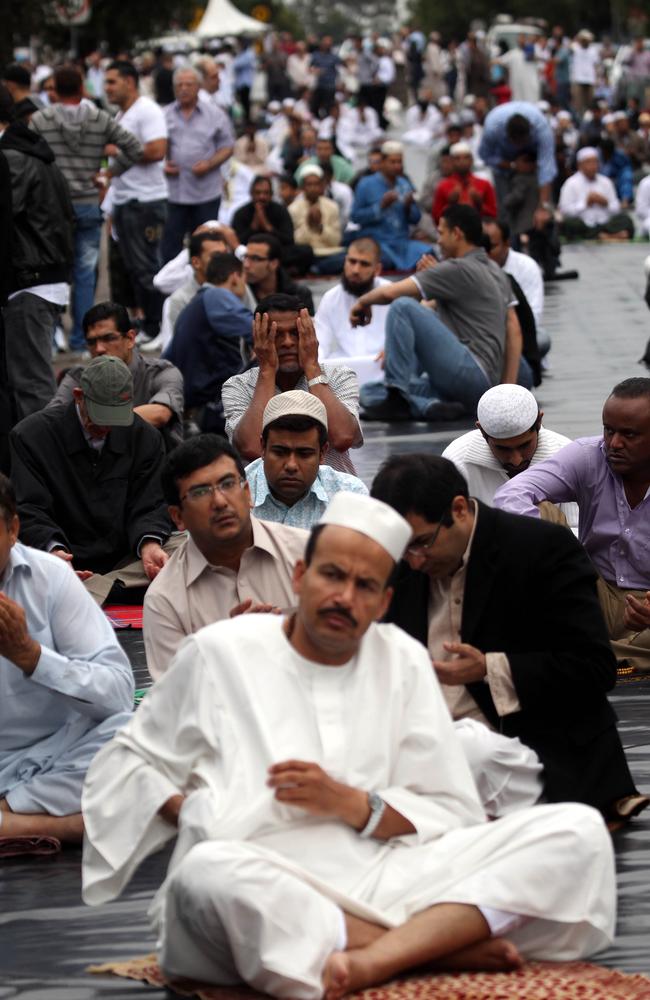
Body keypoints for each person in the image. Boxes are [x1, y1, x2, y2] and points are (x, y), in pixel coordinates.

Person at [82, 491, 617, 995]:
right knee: (205, 877)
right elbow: (130, 763)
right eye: (332, 575)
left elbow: (450, 808)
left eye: (365, 586)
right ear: (299, 575)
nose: (344, 597)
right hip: (267, 870)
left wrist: (351, 803)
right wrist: (199, 806)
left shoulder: (400, 660)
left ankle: (375, 955)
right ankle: (433, 946)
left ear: (384, 601)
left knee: (577, 831)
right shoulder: (222, 651)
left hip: (387, 866)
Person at [374, 453, 645, 821]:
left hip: (529, 750)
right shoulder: (401, 563)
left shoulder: (540, 550)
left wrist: (489, 668)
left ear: (459, 509)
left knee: (470, 750)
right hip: (421, 746)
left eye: (423, 543)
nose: (415, 561)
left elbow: (593, 667)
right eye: (405, 548)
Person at [0, 473, 134, 845]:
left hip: (58, 755)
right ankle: (56, 826)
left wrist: (30, 656)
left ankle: (9, 816)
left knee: (133, 735)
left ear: (13, 529)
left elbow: (119, 694)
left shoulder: (52, 577)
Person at [495, 377, 650, 674]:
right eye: (609, 430)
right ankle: (609, 652)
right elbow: (511, 494)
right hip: (591, 592)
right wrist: (557, 561)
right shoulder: (589, 456)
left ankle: (585, 650)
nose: (614, 443)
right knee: (542, 515)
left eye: (630, 434)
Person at [10, 356, 176, 606]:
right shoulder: (31, 436)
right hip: (62, 558)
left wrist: (150, 543)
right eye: (101, 415)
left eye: (116, 416)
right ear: (78, 396)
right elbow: (29, 508)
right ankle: (81, 586)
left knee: (186, 546)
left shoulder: (145, 437)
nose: (107, 426)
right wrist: (53, 552)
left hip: (126, 561)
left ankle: (87, 591)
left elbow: (152, 503)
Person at [142, 434, 307, 678]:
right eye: (200, 492)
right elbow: (179, 703)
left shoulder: (305, 553)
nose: (219, 501)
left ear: (248, 493)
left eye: (228, 484)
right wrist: (229, 650)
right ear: (178, 517)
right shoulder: (165, 600)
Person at [356, 205, 527, 423]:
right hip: (483, 383)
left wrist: (362, 302)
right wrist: (506, 392)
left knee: (403, 307)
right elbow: (514, 329)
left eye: (441, 233)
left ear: (457, 234)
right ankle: (430, 406)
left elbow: (391, 293)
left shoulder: (456, 269)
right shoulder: (497, 271)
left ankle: (398, 399)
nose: (438, 241)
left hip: (470, 372)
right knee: (368, 391)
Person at [29, 64, 143, 353]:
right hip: (89, 205)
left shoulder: (41, 120)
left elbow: (28, 157)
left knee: (51, 273)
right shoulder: (99, 119)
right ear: (82, 88)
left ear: (54, 90)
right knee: (84, 274)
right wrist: (109, 174)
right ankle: (82, 341)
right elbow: (134, 148)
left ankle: (53, 337)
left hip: (51, 209)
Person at [0, 83, 73, 458]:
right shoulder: (29, 153)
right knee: (25, 384)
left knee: (31, 387)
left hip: (31, 281)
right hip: (39, 279)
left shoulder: (12, 159)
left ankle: (49, 475)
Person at [223, 294, 362, 475]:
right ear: (259, 338)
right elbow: (253, 449)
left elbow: (343, 437)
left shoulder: (339, 376)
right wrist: (266, 370)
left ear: (311, 334)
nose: (288, 342)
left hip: (334, 499)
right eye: (276, 335)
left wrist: (312, 366)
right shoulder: (237, 386)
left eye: (296, 333)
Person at [49, 301, 184, 451]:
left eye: (108, 338)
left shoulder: (161, 371)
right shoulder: (77, 377)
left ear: (131, 339)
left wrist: (95, 421)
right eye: (92, 342)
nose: (99, 349)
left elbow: (160, 413)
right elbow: (52, 420)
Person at [442, 384, 578, 530]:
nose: (516, 460)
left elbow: (581, 533)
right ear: (481, 430)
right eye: (502, 448)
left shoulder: (568, 458)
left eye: (524, 445)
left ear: (539, 422)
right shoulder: (456, 462)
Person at [103, 61, 168, 344]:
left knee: (147, 268)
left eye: (112, 82)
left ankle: (156, 328)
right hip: (125, 200)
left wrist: (117, 149)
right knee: (131, 270)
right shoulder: (121, 114)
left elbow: (157, 150)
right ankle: (145, 323)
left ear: (130, 82)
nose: (106, 88)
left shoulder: (147, 110)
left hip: (146, 202)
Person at [246, 391, 368, 528]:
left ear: (322, 453)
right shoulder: (236, 494)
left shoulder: (350, 494)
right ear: (263, 448)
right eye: (280, 452)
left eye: (304, 454)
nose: (291, 465)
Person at [166, 253, 252, 433]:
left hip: (191, 407)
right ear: (235, 277)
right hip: (208, 409)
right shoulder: (216, 295)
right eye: (244, 277)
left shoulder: (196, 303)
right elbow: (260, 330)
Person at [161, 67, 235, 262]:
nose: (183, 89)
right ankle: (171, 288)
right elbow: (155, 146)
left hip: (205, 193)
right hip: (174, 193)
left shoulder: (215, 114)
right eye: (179, 85)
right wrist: (163, 165)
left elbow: (228, 147)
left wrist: (210, 164)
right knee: (170, 246)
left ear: (198, 87)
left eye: (189, 84)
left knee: (206, 245)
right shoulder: (164, 114)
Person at [315, 238, 389, 386]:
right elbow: (319, 346)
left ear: (377, 269)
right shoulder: (331, 298)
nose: (356, 270)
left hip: (384, 372)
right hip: (343, 376)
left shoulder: (391, 294)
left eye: (364, 264)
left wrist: (393, 350)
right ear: (344, 262)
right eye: (352, 261)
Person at [351, 141, 431, 271]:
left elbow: (416, 219)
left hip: (402, 243)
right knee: (383, 260)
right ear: (382, 163)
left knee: (429, 254)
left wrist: (408, 207)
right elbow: (355, 217)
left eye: (399, 162)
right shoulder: (365, 184)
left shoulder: (405, 184)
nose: (397, 166)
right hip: (378, 243)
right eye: (392, 162)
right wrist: (381, 206)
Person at [232, 174, 313, 278]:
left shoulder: (280, 210)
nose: (262, 197)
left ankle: (282, 271)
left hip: (277, 253)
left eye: (266, 193)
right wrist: (254, 226)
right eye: (258, 193)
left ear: (271, 195)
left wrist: (267, 226)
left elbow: (289, 239)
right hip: (252, 255)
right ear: (251, 194)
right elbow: (237, 243)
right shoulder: (241, 213)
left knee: (306, 251)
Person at [558, 147, 634, 241]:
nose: (593, 165)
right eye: (589, 162)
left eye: (595, 162)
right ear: (580, 165)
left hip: (605, 223)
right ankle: (608, 236)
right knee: (569, 224)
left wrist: (605, 203)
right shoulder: (570, 184)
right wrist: (585, 203)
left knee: (625, 220)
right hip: (583, 224)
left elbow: (616, 208)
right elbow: (565, 211)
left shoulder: (606, 182)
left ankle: (603, 235)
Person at [242, 234, 314, 314]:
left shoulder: (299, 294)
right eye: (245, 257)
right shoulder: (239, 290)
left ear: (274, 263)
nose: (246, 265)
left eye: (255, 259)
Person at [288, 165, 343, 263]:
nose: (313, 188)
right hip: (305, 255)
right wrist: (309, 225)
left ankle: (317, 269)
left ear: (322, 186)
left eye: (316, 184)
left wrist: (320, 227)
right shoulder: (293, 209)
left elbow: (336, 241)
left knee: (345, 256)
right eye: (309, 184)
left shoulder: (332, 206)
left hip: (328, 253)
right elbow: (294, 243)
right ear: (303, 187)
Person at [431, 141, 497, 224]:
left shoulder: (484, 184)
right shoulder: (443, 186)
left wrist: (479, 204)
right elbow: (436, 218)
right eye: (457, 158)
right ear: (452, 161)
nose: (462, 162)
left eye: (466, 158)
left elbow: (493, 214)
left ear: (471, 160)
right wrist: (450, 204)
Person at [310, 36, 340, 119]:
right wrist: (315, 70)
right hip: (318, 85)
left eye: (329, 44)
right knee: (314, 107)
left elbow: (340, 68)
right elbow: (309, 68)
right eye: (325, 44)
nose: (327, 46)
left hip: (330, 87)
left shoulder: (334, 57)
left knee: (328, 108)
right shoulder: (315, 55)